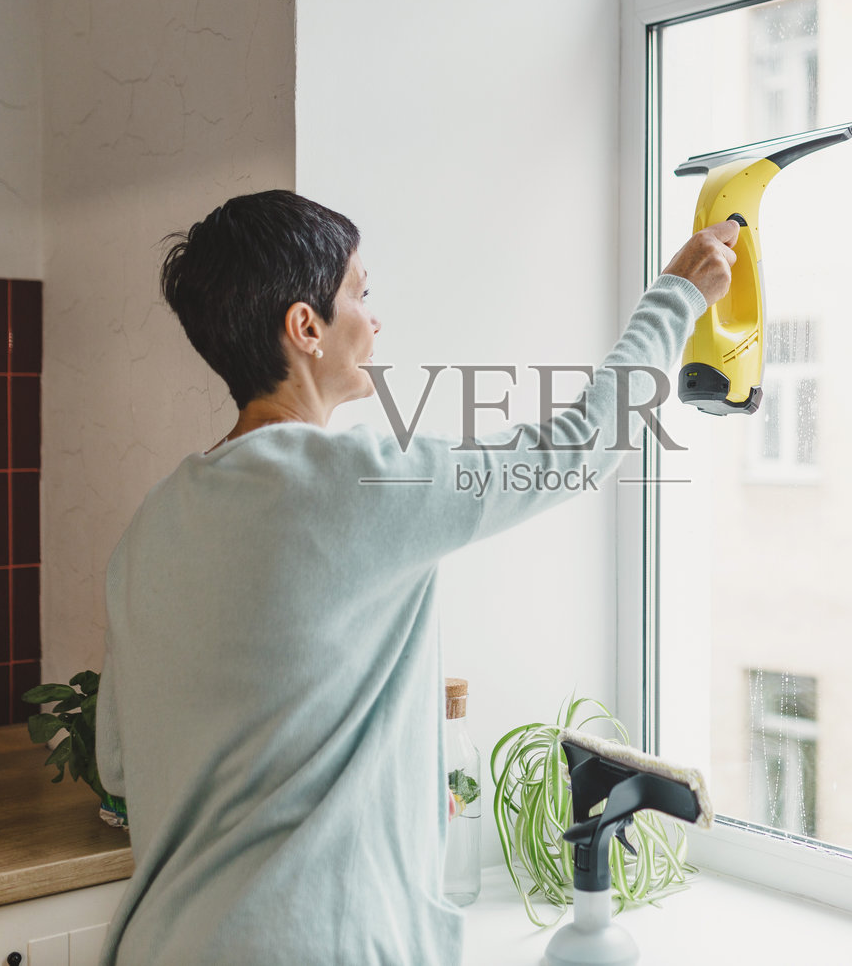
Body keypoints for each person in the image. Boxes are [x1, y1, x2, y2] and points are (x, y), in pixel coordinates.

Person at [95, 189, 736, 965]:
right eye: (360, 294)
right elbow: (577, 449)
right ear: (306, 328)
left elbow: (120, 765)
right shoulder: (356, 482)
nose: (373, 319)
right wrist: (678, 297)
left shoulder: (151, 527)